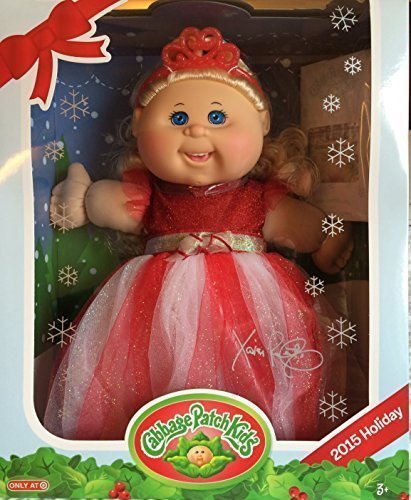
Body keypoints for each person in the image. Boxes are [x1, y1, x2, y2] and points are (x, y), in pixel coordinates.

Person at [44, 27, 351, 441]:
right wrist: (84, 197)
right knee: (144, 367)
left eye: (218, 118)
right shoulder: (149, 196)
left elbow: (298, 225)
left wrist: (327, 237)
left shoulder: (260, 197)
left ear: (262, 122)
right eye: (177, 118)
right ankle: (146, 443)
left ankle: (265, 443)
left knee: (261, 364)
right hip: (155, 296)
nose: (196, 130)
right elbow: (108, 203)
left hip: (254, 298)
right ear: (139, 124)